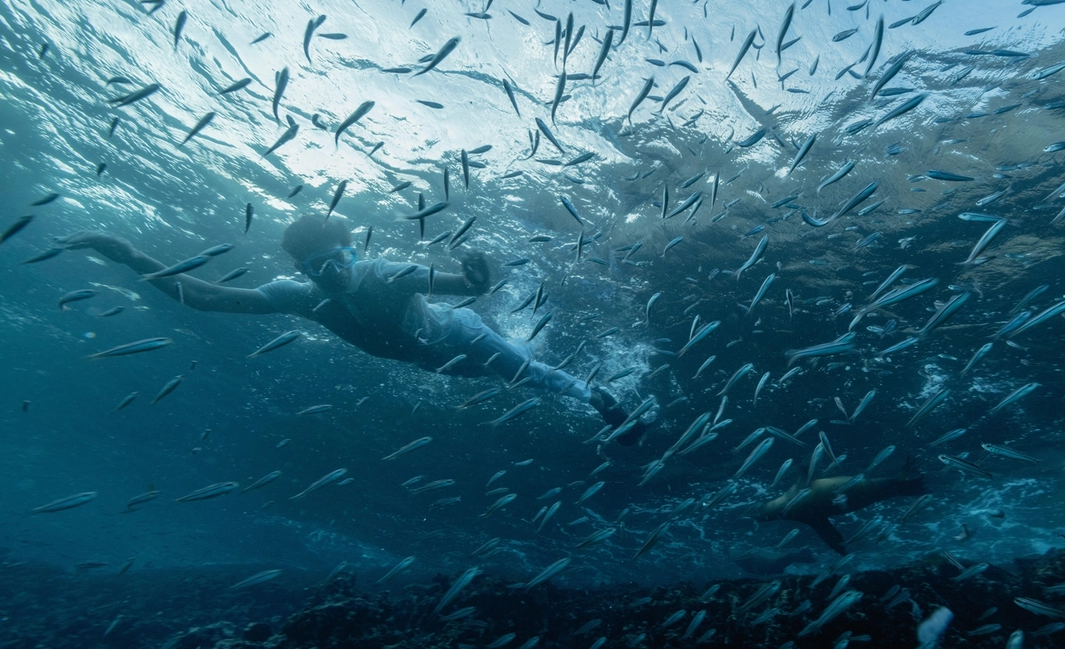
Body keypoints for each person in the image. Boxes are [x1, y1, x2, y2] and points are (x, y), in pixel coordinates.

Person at [57, 215, 646, 444]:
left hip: (462, 338)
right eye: (316, 269)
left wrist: (480, 271)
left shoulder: (387, 273)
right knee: (507, 385)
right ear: (300, 272)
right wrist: (129, 255)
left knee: (530, 376)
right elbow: (208, 299)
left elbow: (466, 287)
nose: (331, 275)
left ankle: (601, 397)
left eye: (339, 261)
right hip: (430, 364)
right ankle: (536, 349)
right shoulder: (298, 298)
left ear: (353, 251)